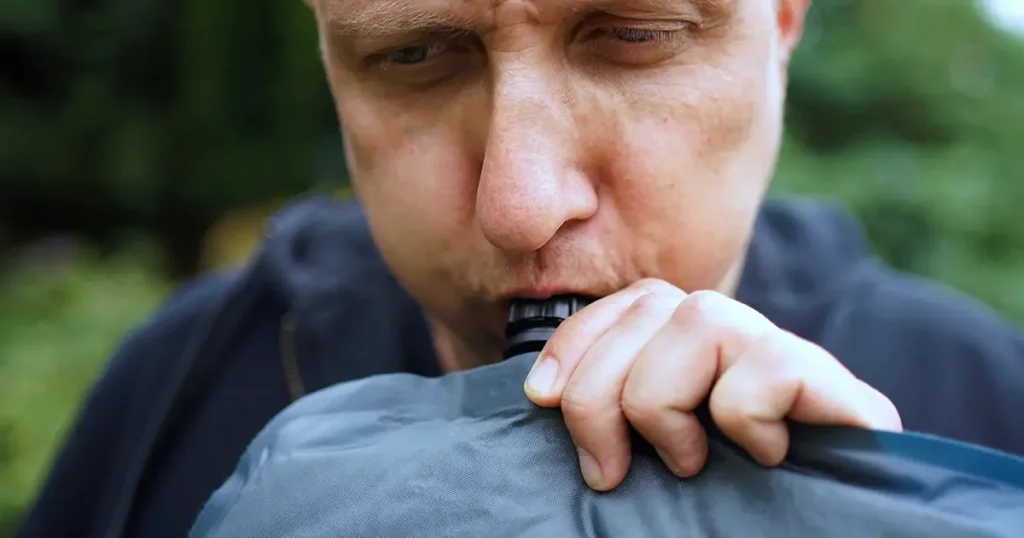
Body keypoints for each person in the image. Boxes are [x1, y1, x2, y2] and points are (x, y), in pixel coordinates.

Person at [17, 0, 1024, 537]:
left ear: (784, 23)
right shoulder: (180, 386)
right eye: (413, 54)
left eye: (633, 36)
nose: (521, 204)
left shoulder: (983, 408)